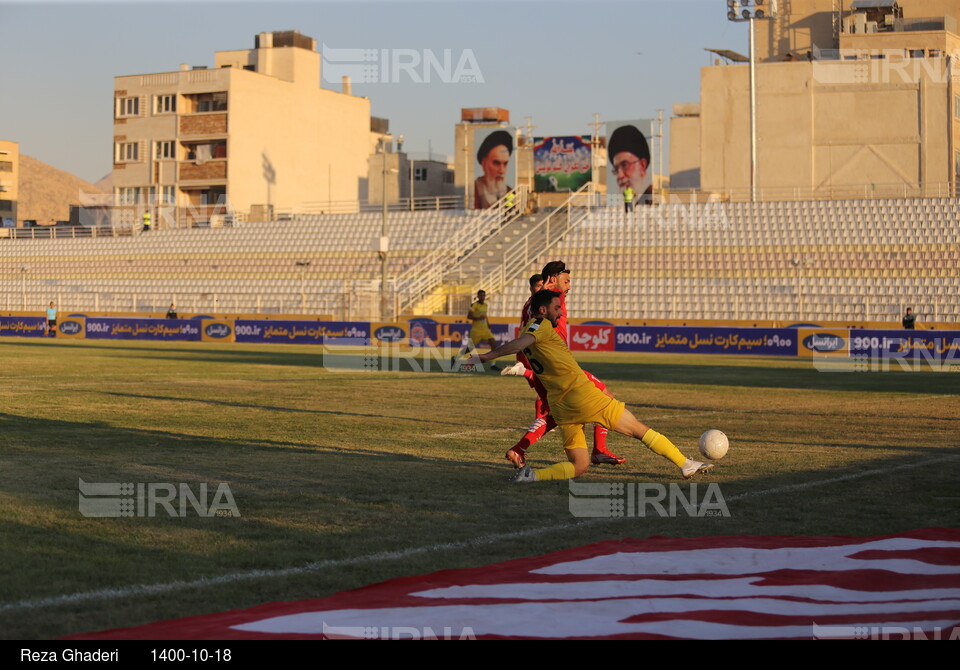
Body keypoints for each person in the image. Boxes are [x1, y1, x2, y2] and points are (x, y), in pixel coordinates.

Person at [477, 289, 714, 483]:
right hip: (581, 396)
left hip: (561, 406)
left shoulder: (529, 327)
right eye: (557, 307)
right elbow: (521, 343)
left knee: (579, 465)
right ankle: (685, 464)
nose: (561, 312)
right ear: (542, 310)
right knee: (638, 429)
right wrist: (488, 357)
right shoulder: (541, 326)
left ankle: (533, 475)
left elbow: (523, 343)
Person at [500, 261, 624, 467]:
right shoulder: (551, 299)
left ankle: (519, 449)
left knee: (557, 413)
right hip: (558, 365)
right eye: (566, 281)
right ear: (553, 280)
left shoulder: (530, 303)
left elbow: (524, 330)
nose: (569, 287)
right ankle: (599, 450)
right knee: (605, 396)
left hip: (544, 365)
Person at [452, 290, 500, 372]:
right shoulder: (474, 305)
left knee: (494, 344)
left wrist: (488, 324)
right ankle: (455, 357)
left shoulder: (485, 305)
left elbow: (485, 316)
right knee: (470, 348)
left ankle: (493, 364)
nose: (482, 297)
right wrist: (478, 318)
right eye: (481, 295)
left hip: (485, 330)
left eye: (484, 295)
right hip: (476, 331)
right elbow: (469, 316)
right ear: (477, 296)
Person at [608, 125, 653, 206]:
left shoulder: (654, 199)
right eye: (616, 169)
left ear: (642, 165)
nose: (620, 175)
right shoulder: (619, 202)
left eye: (625, 165)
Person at [474, 130, 513, 209]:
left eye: (505, 164)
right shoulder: (475, 189)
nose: (502, 170)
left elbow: (511, 208)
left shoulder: (510, 191)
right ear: (484, 164)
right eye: (496, 163)